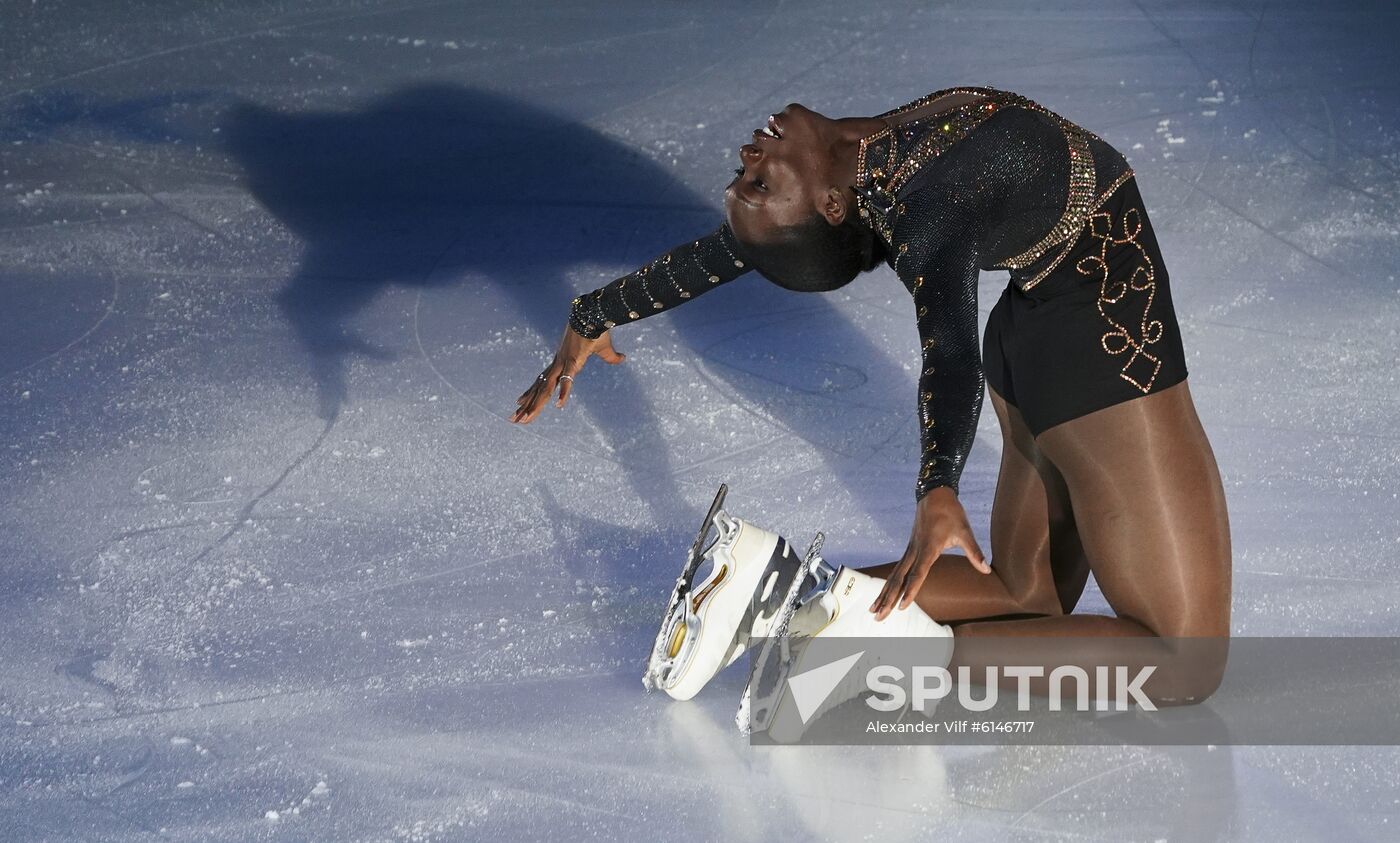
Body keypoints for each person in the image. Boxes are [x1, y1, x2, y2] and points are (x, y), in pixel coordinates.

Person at [512, 85, 1232, 704]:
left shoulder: (859, 161)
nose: (750, 158)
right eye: (757, 183)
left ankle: (790, 603)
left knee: (1027, 593)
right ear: (828, 205)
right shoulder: (924, 210)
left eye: (745, 176)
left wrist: (594, 311)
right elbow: (945, 352)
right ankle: (892, 653)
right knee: (1186, 662)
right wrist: (938, 484)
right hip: (1101, 349)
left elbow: (728, 250)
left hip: (1036, 340)